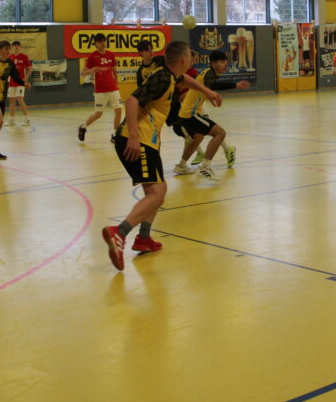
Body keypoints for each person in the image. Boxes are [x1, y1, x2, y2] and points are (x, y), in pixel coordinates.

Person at [101, 41, 222, 270]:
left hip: (147, 140)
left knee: (157, 191)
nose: (192, 60)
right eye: (190, 57)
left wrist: (208, 92)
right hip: (138, 140)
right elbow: (132, 100)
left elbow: (185, 80)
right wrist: (134, 136)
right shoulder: (162, 78)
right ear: (183, 60)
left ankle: (144, 238)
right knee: (157, 193)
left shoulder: (171, 75)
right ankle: (120, 232)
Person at [172, 50, 250, 179]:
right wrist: (235, 84)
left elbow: (207, 87)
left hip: (187, 113)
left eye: (226, 62)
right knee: (220, 133)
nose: (225, 65)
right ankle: (205, 167)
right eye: (222, 62)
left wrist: (210, 96)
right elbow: (213, 84)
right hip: (190, 114)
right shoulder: (208, 73)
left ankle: (181, 165)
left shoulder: (208, 74)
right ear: (213, 64)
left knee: (197, 138)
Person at [78, 33, 122, 143]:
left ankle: (115, 134)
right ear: (96, 43)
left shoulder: (110, 55)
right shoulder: (92, 56)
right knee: (98, 114)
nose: (103, 43)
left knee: (119, 111)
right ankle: (83, 127)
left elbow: (114, 70)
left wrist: (116, 83)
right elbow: (83, 73)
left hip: (113, 88)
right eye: (100, 41)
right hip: (100, 90)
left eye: (104, 41)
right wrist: (93, 70)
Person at [6, 40, 33, 127]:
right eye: (14, 45)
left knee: (20, 99)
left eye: (17, 45)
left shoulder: (24, 56)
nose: (16, 47)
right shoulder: (10, 57)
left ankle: (27, 119)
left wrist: (26, 77)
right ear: (12, 47)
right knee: (11, 100)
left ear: (20, 47)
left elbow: (30, 68)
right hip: (11, 82)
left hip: (20, 82)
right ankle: (12, 120)